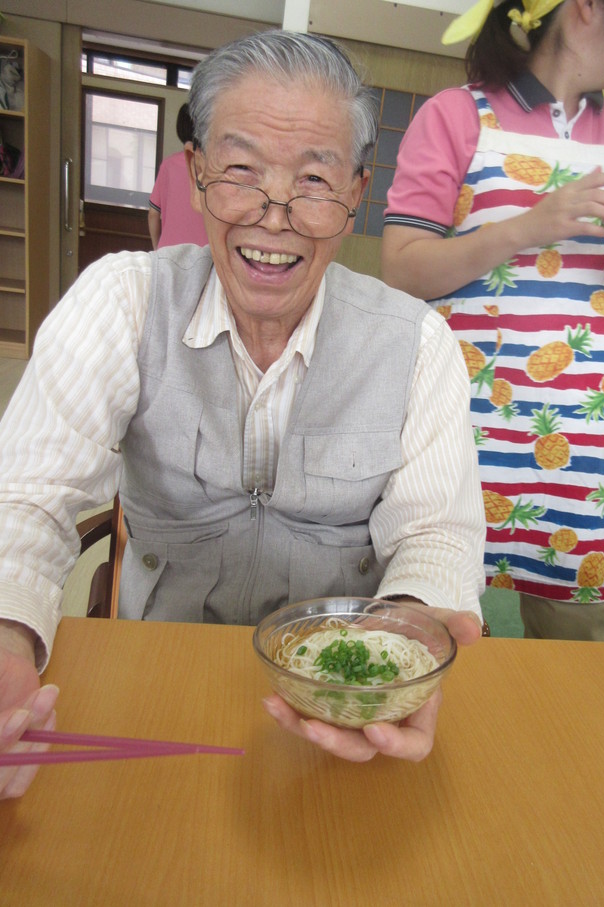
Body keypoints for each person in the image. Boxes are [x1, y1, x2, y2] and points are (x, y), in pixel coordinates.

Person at [0, 30, 486, 796]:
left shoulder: (418, 342)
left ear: (357, 193)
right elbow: (25, 496)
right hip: (159, 676)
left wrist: (399, 653)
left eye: (314, 180)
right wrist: (6, 641)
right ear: (196, 175)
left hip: (338, 701)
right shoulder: (123, 298)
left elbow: (435, 533)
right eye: (241, 171)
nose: (274, 215)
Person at [381, 0, 604, 641]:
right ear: (586, 10)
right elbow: (400, 269)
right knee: (434, 625)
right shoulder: (457, 116)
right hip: (455, 430)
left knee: (576, 642)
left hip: (575, 441)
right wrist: (530, 227)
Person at [148, 103, 209, 248]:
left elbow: (153, 214)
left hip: (169, 254)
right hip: (205, 256)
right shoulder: (213, 168)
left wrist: (157, 250)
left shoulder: (168, 165)